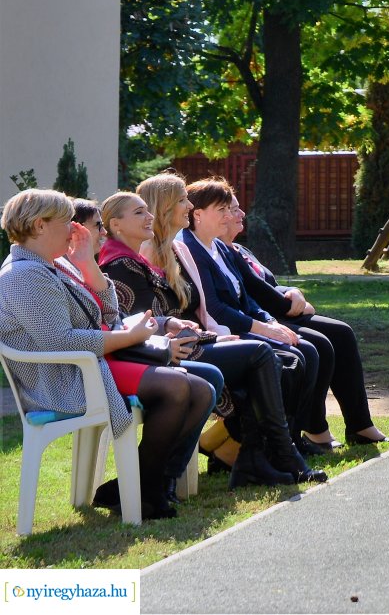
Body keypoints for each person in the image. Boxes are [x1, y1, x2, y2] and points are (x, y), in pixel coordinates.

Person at [0, 189, 214, 520]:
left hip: (90, 365)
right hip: (65, 380)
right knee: (178, 388)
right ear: (40, 226)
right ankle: (146, 490)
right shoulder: (24, 276)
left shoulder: (54, 265)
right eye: (65, 221)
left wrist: (86, 262)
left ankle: (141, 486)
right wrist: (126, 337)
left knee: (200, 389)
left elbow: (109, 311)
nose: (74, 228)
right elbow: (62, 342)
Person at [103, 181, 318, 485]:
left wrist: (217, 335)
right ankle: (272, 454)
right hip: (169, 353)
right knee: (262, 355)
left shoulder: (167, 250)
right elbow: (148, 322)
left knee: (285, 357)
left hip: (191, 342)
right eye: (182, 201)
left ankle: (258, 456)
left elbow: (191, 311)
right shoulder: (124, 263)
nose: (188, 207)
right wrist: (214, 336)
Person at [211, 192, 388, 445]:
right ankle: (316, 429)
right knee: (323, 343)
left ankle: (360, 425)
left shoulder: (241, 248)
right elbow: (259, 295)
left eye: (238, 209)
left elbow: (271, 284)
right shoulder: (224, 253)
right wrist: (294, 303)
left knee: (342, 332)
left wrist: (294, 292)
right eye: (233, 209)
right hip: (272, 317)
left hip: (281, 312)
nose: (240, 214)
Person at [180, 181, 328, 452]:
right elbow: (214, 309)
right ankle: (259, 447)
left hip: (245, 323)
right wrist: (264, 329)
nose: (229, 215)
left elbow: (245, 297)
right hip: (222, 332)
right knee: (293, 359)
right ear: (197, 214)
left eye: (228, 208)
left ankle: (289, 439)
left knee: (309, 350)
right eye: (222, 209)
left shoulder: (220, 247)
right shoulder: (190, 248)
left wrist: (270, 322)